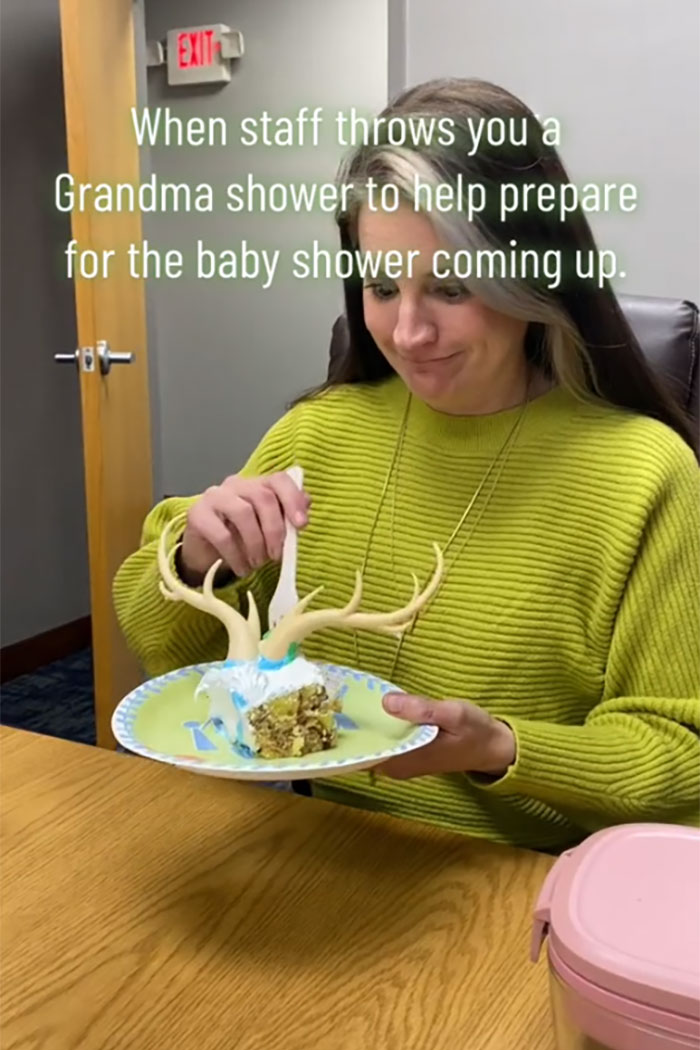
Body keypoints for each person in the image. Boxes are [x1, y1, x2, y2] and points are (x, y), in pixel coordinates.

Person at [113, 78, 699, 851]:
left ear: (533, 273)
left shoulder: (644, 474)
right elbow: (161, 643)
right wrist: (191, 554)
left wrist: (505, 750)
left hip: (514, 896)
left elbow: (676, 758)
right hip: (316, 859)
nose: (410, 330)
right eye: (382, 286)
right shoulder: (318, 433)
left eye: (451, 287)